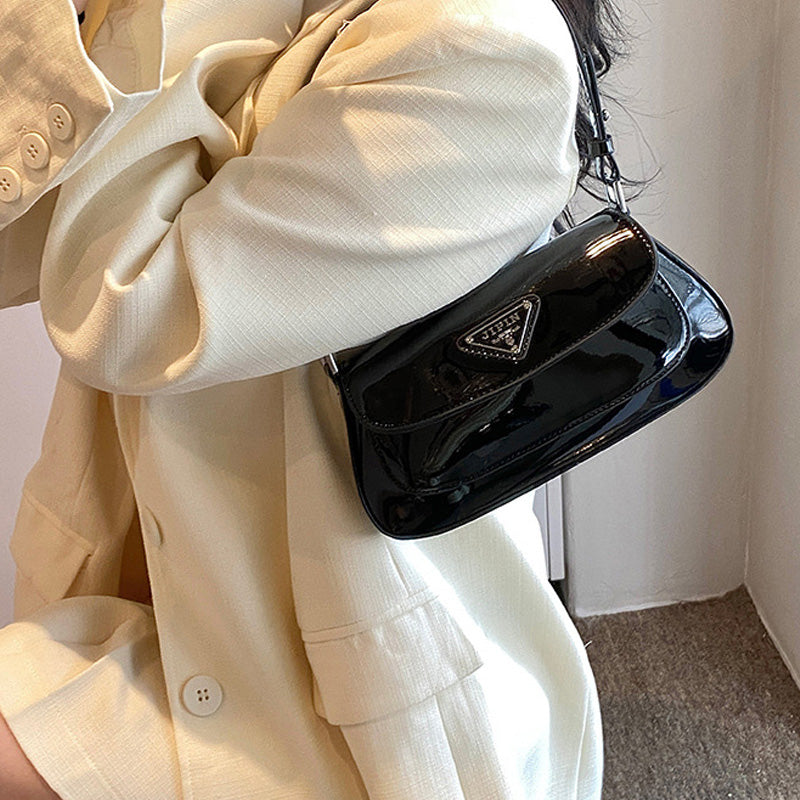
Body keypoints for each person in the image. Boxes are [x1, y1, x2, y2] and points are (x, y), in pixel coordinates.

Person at [0, 0, 635, 796]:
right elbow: (18, 242)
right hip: (147, 579)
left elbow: (128, 312)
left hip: (337, 695)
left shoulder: (480, 43)